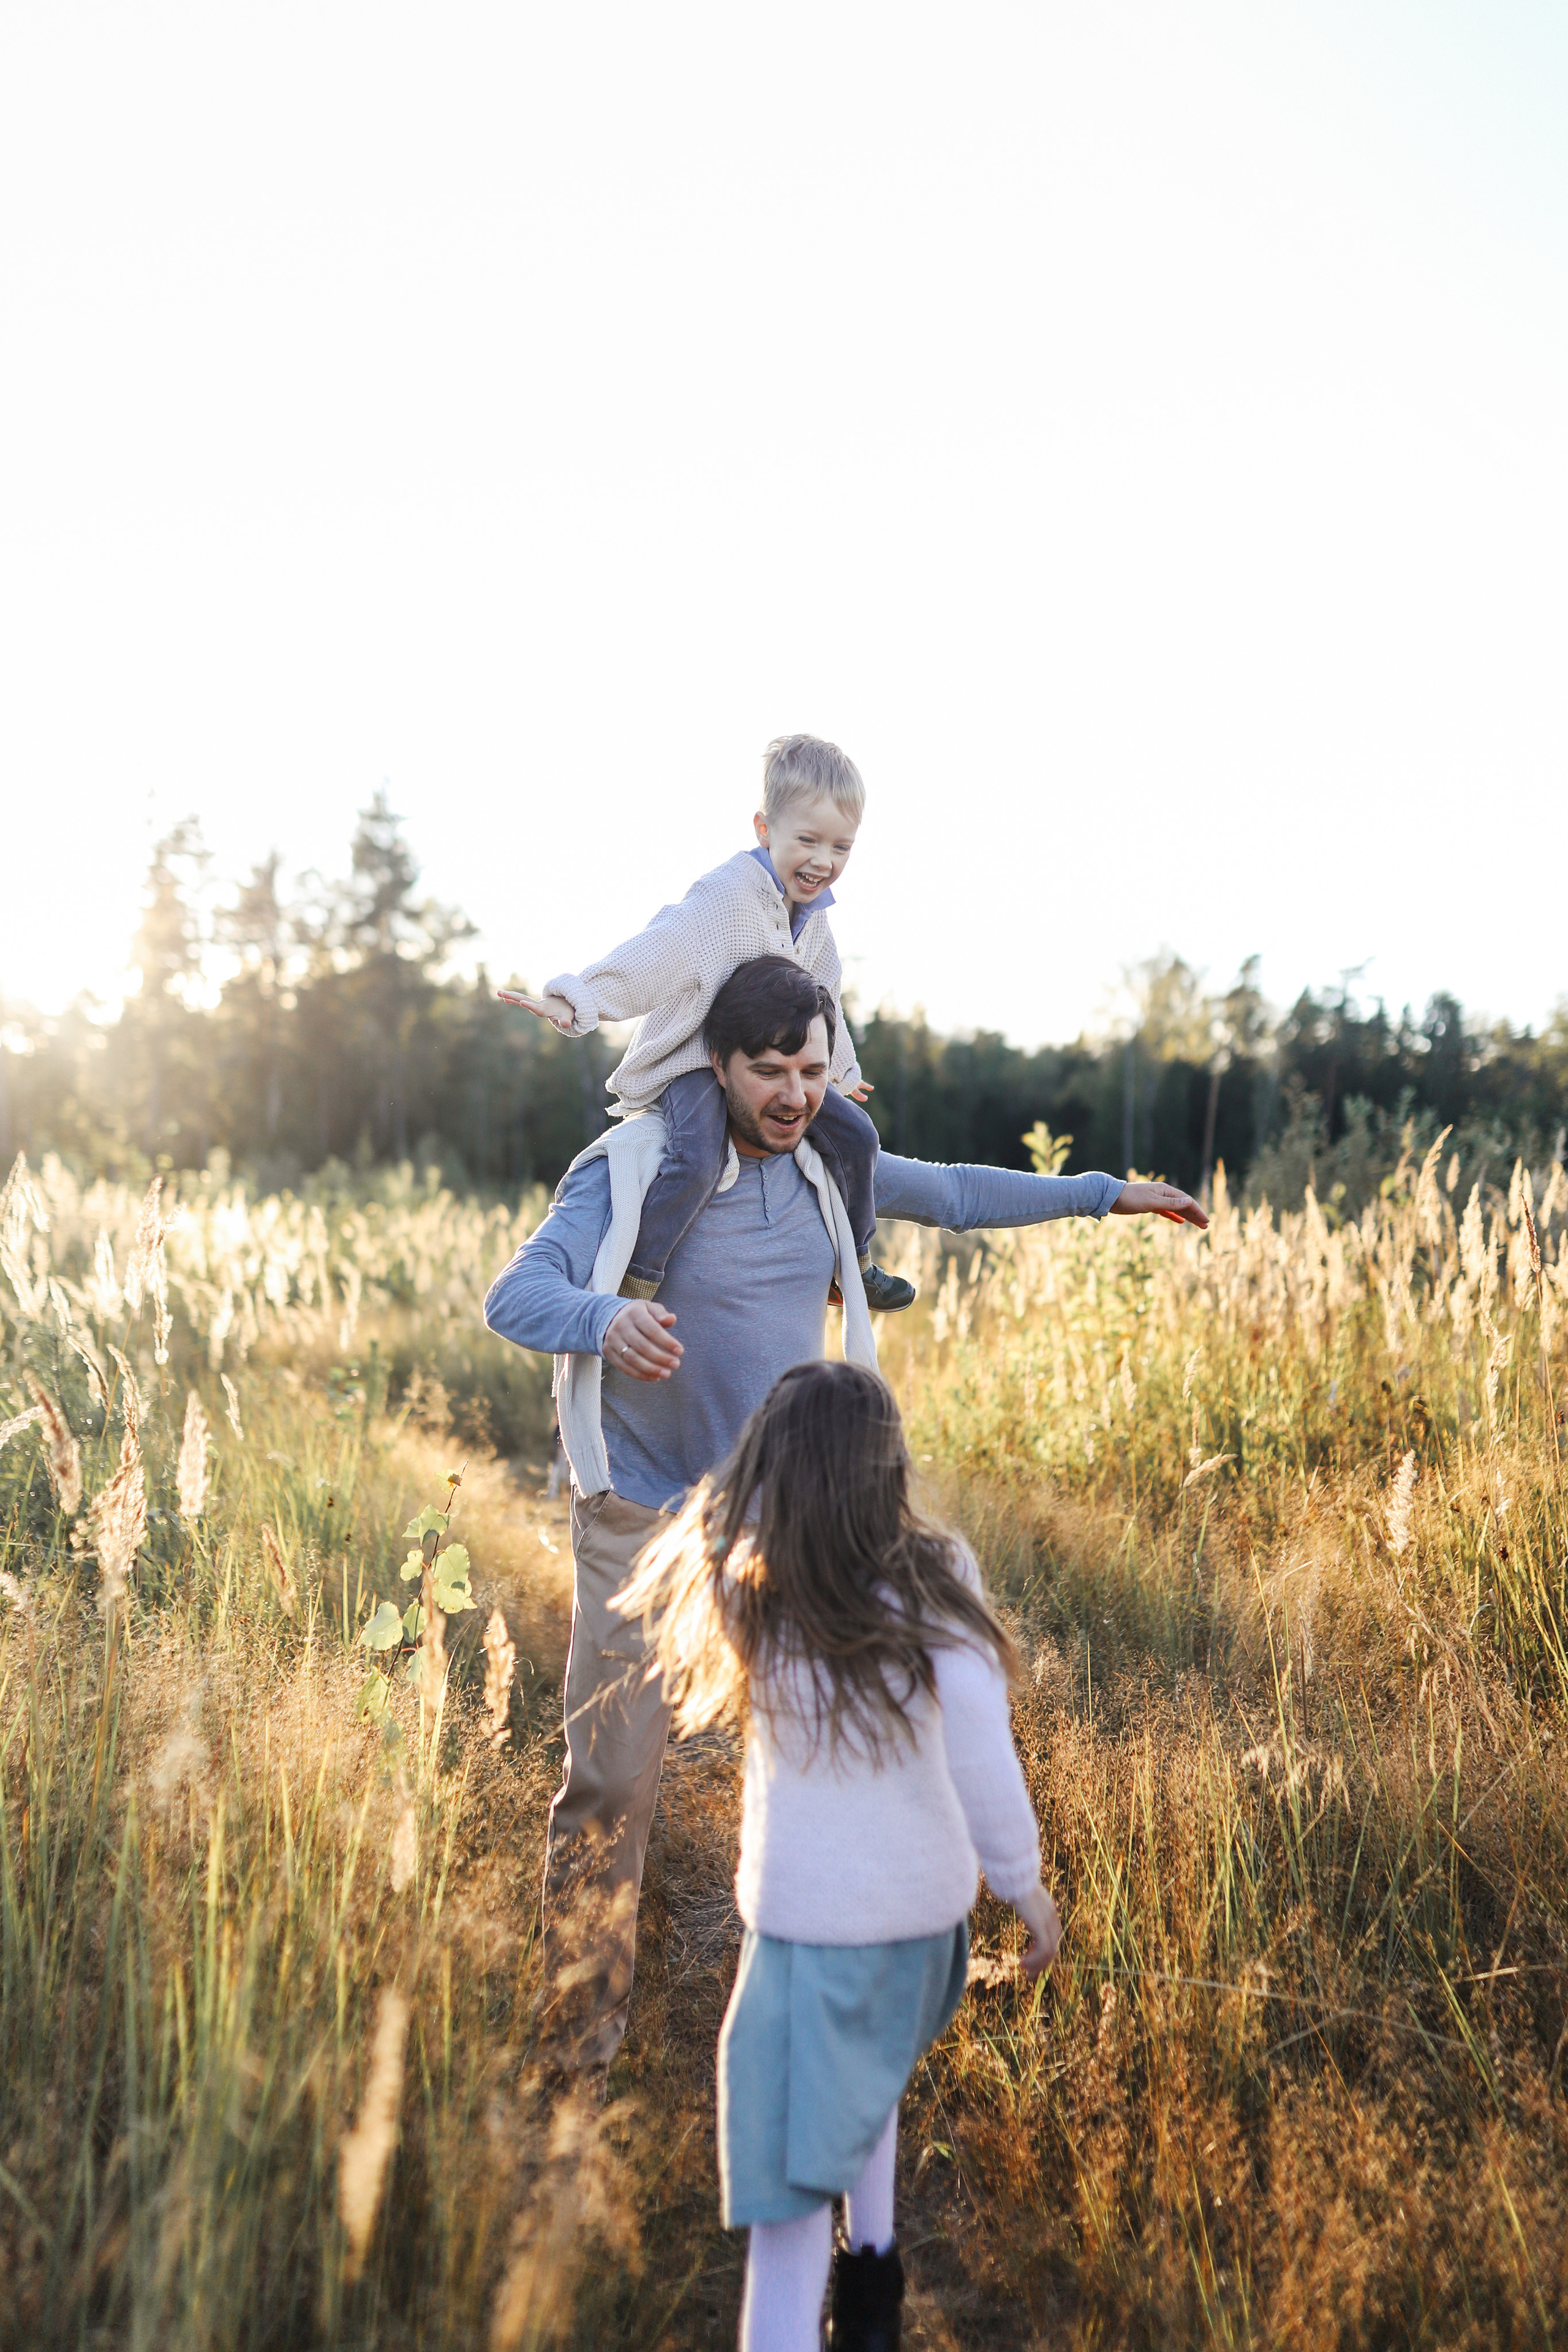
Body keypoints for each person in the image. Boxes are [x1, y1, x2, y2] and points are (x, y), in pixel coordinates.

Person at [482, 952, 1205, 2084]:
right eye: (766, 1070)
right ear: (717, 1065)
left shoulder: (828, 1163)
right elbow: (513, 1295)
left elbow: (960, 1192)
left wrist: (1108, 1192)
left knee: (829, 1757)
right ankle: (576, 2052)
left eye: (811, 1070)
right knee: (614, 1787)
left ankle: (821, 2014)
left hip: (779, 1520)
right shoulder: (634, 1164)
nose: (792, 1094)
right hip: (639, 1514)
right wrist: (600, 1323)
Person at [616, 1359, 1061, 2352]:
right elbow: (982, 1746)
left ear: (772, 1470)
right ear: (887, 1471)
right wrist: (1023, 1887)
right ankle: (874, 2286)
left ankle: (835, 2304)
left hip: (812, 1940)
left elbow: (716, 1518)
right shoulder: (940, 1576)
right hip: (923, 1936)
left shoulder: (756, 1587)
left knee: (785, 2230)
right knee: (870, 2080)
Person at [497, 731, 917, 1313]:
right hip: (697, 1060)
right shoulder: (726, 899)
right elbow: (660, 950)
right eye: (808, 840)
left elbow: (824, 998)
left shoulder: (815, 919)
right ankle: (638, 1279)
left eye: (841, 848)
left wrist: (840, 1068)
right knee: (696, 1158)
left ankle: (855, 1266)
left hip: (771, 1070)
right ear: (764, 828)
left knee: (859, 1138)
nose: (823, 861)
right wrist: (579, 998)